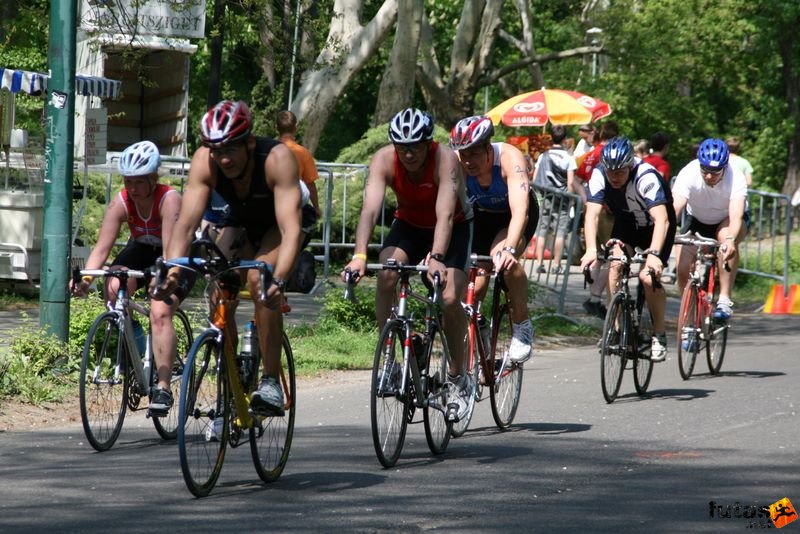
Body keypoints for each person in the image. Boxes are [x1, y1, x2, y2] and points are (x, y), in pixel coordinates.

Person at [153, 100, 303, 416]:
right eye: (216, 149)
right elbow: (186, 224)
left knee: (259, 281)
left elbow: (290, 230)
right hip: (242, 223)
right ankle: (233, 376)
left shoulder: (277, 158)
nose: (223, 157)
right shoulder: (205, 162)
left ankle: (270, 381)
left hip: (279, 225)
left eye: (231, 149)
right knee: (219, 286)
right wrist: (172, 269)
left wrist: (278, 279)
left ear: (249, 141)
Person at [342, 108, 474, 420]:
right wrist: (359, 256)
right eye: (402, 147)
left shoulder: (445, 159)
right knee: (388, 274)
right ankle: (391, 356)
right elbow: (370, 211)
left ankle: (458, 377)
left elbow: (444, 213)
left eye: (415, 146)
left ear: (428, 144)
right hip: (411, 225)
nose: (409, 153)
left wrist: (438, 258)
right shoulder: (383, 160)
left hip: (453, 226)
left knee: (450, 297)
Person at [71, 140, 182, 415]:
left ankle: (163, 386)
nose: (131, 188)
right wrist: (85, 281)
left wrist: (161, 279)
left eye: (138, 182)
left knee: (159, 310)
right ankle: (139, 351)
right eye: (127, 181)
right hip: (141, 249)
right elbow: (101, 249)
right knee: (113, 287)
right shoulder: (121, 201)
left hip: (170, 252)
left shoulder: (169, 199)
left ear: (153, 179)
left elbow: (169, 252)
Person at [449, 115, 540, 363]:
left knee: (503, 261)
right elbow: (447, 210)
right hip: (482, 216)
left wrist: (510, 248)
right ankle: (478, 323)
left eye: (473, 154)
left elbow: (520, 211)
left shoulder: (510, 159)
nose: (468, 161)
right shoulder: (457, 164)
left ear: (488, 148)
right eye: (463, 154)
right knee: (474, 286)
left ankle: (522, 326)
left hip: (512, 217)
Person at [580, 137, 676, 362]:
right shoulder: (599, 173)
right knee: (615, 265)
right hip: (627, 223)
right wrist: (591, 249)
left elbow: (662, 220)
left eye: (620, 172)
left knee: (648, 278)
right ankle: (617, 328)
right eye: (610, 172)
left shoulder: (646, 176)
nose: (614, 177)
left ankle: (659, 334)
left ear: (630, 166)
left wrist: (653, 256)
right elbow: (592, 214)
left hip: (656, 227)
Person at [672, 138, 747, 321]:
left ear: (725, 167)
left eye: (715, 173)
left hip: (725, 218)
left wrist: (730, 240)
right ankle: (689, 319)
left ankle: (724, 298)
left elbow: (736, 215)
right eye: (705, 171)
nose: (708, 176)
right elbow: (674, 207)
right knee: (682, 268)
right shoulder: (689, 172)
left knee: (725, 239)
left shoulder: (735, 176)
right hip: (696, 218)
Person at [576, 121, 619, 318]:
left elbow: (576, 178)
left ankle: (593, 296)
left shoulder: (592, 153)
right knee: (612, 256)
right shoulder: (612, 153)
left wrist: (586, 198)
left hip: (593, 207)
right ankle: (596, 298)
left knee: (599, 254)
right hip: (608, 210)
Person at [532, 124, 584, 274]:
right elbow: (570, 182)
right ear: (565, 139)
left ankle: (540, 263)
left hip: (545, 197)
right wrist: (572, 199)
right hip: (562, 200)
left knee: (542, 231)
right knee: (560, 232)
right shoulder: (568, 158)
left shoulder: (543, 156)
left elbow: (535, 178)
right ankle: (556, 265)